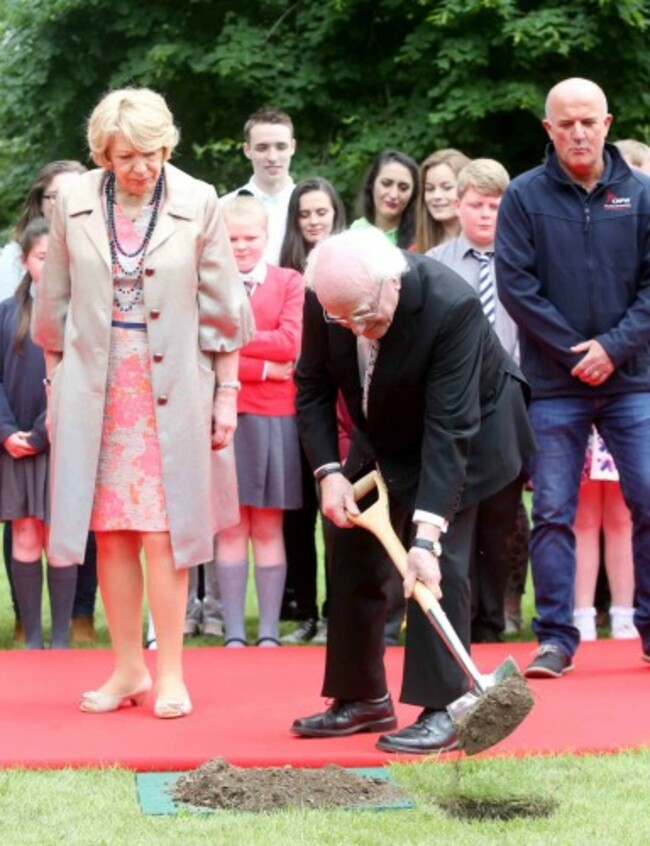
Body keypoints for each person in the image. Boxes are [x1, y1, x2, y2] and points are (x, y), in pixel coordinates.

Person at [32, 87, 253, 715]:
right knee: (112, 532)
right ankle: (128, 669)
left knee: (164, 531)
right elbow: (54, 308)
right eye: (127, 155)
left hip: (177, 387)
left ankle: (172, 672)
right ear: (102, 153)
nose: (142, 167)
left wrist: (226, 397)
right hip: (92, 389)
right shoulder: (73, 202)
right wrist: (54, 391)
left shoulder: (199, 200)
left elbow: (226, 316)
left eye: (153, 153)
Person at [291, 227, 535, 754]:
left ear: (392, 283)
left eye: (365, 314)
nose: (356, 327)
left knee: (438, 563)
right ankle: (362, 697)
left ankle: (443, 708)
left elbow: (450, 429)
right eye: (343, 318)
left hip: (473, 428)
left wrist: (424, 537)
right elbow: (312, 383)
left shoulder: (453, 305)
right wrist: (329, 471)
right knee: (349, 541)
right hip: (384, 422)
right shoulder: (330, 293)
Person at [496, 77, 650, 678]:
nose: (579, 132)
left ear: (607, 123)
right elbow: (516, 286)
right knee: (555, 510)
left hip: (632, 379)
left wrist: (612, 349)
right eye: (567, 123)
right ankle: (556, 640)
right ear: (549, 130)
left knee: (648, 502)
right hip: (556, 384)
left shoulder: (640, 196)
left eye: (589, 121)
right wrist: (573, 352)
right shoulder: (523, 197)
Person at [427, 158, 526, 642]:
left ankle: (493, 617)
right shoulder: (436, 264)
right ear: (457, 206)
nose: (486, 214)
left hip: (513, 399)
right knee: (454, 513)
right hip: (456, 402)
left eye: (495, 205)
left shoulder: (525, 260)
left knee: (502, 518)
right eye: (476, 205)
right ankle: (454, 617)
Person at [0, 160, 90, 643]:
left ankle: (62, 637)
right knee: (25, 534)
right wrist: (7, 431)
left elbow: (75, 374)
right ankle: (30, 635)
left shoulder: (79, 315)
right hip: (14, 446)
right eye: (38, 257)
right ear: (24, 261)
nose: (46, 264)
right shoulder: (5, 315)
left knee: (62, 537)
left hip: (63, 442)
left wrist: (43, 427)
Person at [217, 196, 304, 647]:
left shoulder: (289, 281)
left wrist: (237, 344)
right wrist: (263, 366)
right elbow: (206, 346)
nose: (241, 247)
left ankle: (268, 632)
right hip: (224, 414)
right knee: (231, 525)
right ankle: (234, 633)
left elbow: (291, 342)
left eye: (250, 238)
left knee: (268, 524)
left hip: (275, 416)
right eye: (232, 239)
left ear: (267, 238)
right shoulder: (210, 283)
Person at [279, 177, 346, 644]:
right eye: (305, 214)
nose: (314, 221)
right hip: (287, 405)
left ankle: (338, 611)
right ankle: (306, 611)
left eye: (321, 212)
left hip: (340, 407)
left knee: (339, 513)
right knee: (297, 516)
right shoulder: (284, 273)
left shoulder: (351, 265)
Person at [573, 426, 637, 640]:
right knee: (583, 520)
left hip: (623, 414)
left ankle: (624, 616)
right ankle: (582, 616)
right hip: (580, 416)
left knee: (622, 519)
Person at [221, 107, 296, 264]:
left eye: (281, 147)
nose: (273, 157)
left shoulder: (310, 209)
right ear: (247, 150)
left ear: (293, 147)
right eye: (262, 148)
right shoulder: (221, 208)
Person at [351, 150, 419, 248]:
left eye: (403, 188)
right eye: (386, 184)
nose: (394, 195)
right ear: (371, 183)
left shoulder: (421, 241)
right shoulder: (353, 235)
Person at [415, 148, 470, 253]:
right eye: (429, 189)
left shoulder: (493, 245)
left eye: (447, 187)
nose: (436, 196)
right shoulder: (415, 252)